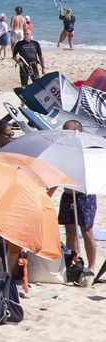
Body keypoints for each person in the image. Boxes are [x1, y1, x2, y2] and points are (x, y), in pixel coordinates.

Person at [59, 120, 98, 281]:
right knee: (70, 231)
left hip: (84, 194)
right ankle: (73, 262)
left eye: (68, 131)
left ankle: (92, 265)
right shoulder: (63, 150)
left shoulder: (86, 151)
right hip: (68, 194)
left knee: (86, 230)